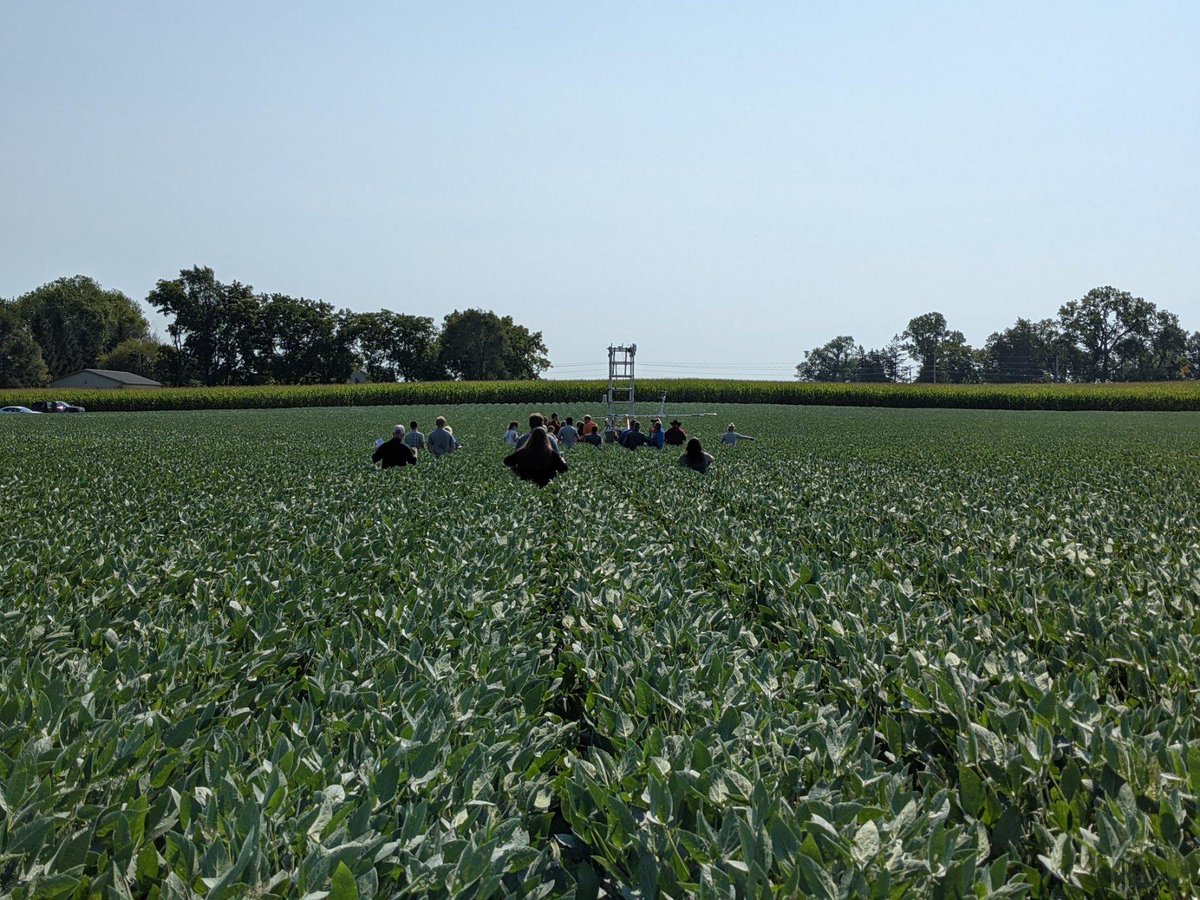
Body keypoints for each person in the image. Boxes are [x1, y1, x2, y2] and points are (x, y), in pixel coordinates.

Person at [504, 426, 568, 487]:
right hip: (546, 485)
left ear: (531, 438)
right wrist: (562, 459)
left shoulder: (523, 452)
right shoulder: (551, 453)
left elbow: (507, 461)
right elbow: (563, 469)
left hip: (525, 484)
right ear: (546, 439)